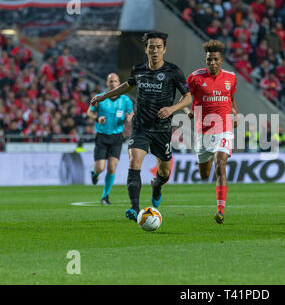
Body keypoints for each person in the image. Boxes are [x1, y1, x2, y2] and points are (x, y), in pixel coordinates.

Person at [90, 31, 192, 221]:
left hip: (162, 129)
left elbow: (188, 97)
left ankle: (157, 186)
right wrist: (104, 96)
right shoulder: (139, 70)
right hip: (141, 127)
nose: (155, 50)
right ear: (146, 49)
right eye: (151, 47)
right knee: (134, 161)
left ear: (164, 49)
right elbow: (127, 86)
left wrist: (172, 109)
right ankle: (134, 208)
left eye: (159, 47)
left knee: (164, 173)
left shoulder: (173, 71)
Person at [184, 40, 239, 224]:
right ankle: (206, 171)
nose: (212, 63)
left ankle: (220, 211)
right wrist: (187, 111)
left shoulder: (231, 77)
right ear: (205, 60)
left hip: (224, 128)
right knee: (205, 174)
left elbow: (231, 100)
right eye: (209, 60)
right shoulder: (195, 78)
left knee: (220, 164)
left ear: (221, 60)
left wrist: (236, 113)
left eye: (215, 59)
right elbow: (184, 100)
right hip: (202, 131)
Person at [87, 73, 134, 205]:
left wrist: (130, 117)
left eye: (115, 81)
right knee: (100, 168)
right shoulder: (100, 98)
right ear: (107, 83)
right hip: (102, 136)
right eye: (110, 81)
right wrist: (97, 118)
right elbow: (89, 112)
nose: (113, 83)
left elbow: (131, 112)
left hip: (116, 137)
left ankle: (105, 196)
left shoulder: (125, 100)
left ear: (119, 83)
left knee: (112, 168)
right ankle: (94, 173)